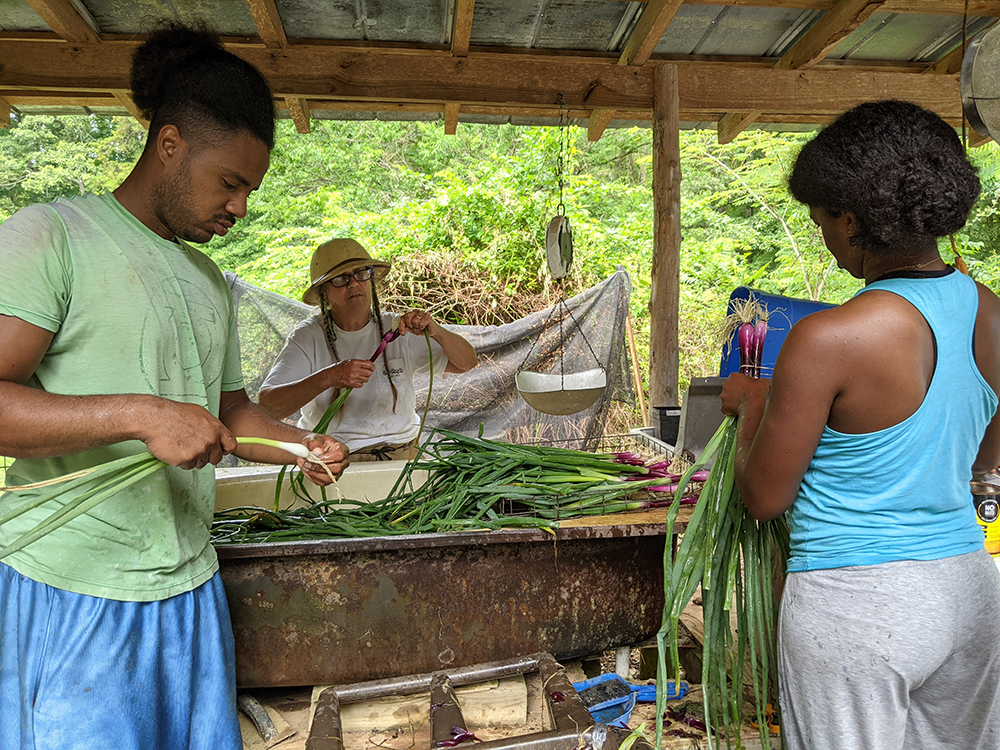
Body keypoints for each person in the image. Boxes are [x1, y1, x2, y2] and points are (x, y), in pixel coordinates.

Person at [0, 22, 347, 750]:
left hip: (187, 589)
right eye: (230, 182)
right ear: (169, 145)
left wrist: (298, 445)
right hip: (77, 588)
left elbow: (229, 413)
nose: (241, 207)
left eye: (249, 189)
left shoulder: (206, 281)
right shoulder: (52, 236)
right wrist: (139, 414)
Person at [720, 99, 1000, 750]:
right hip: (967, 590)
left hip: (858, 605)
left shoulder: (829, 339)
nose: (822, 232)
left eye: (819, 219)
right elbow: (983, 462)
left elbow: (764, 498)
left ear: (849, 220)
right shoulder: (990, 313)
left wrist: (752, 410)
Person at [258, 238, 478, 460]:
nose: (353, 284)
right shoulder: (308, 337)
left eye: (361, 273)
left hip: (403, 455)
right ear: (324, 292)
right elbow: (269, 406)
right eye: (341, 279)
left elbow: (467, 363)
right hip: (335, 460)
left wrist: (437, 332)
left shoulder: (398, 329)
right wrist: (329, 377)